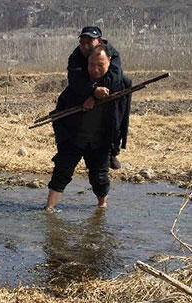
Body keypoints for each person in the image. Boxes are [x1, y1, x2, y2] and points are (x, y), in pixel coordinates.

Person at [45, 44, 129, 212]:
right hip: (74, 138)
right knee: (61, 172)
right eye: (92, 65)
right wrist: (87, 97)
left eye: (101, 65)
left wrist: (116, 144)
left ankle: (101, 208)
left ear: (109, 62)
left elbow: (122, 116)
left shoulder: (121, 84)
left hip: (101, 139)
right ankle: (49, 209)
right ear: (86, 63)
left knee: (100, 178)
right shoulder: (77, 85)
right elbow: (59, 114)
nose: (96, 69)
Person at [65, 26, 130, 169]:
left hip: (109, 90)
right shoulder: (76, 56)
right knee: (66, 97)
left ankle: (113, 150)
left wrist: (95, 96)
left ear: (99, 41)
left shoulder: (112, 53)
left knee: (125, 84)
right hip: (84, 90)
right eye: (82, 42)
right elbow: (75, 79)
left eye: (90, 42)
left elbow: (115, 77)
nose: (85, 46)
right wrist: (92, 91)